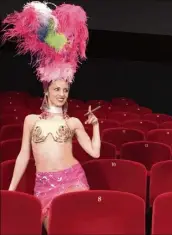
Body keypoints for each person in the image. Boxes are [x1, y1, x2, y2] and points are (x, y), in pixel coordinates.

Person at [2, 1, 100, 230]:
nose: (62, 94)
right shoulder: (31, 121)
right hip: (44, 184)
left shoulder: (73, 122)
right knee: (55, 229)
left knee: (77, 229)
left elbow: (94, 153)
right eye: (57, 89)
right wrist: (11, 189)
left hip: (74, 180)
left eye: (65, 90)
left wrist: (95, 126)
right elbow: (23, 156)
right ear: (46, 92)